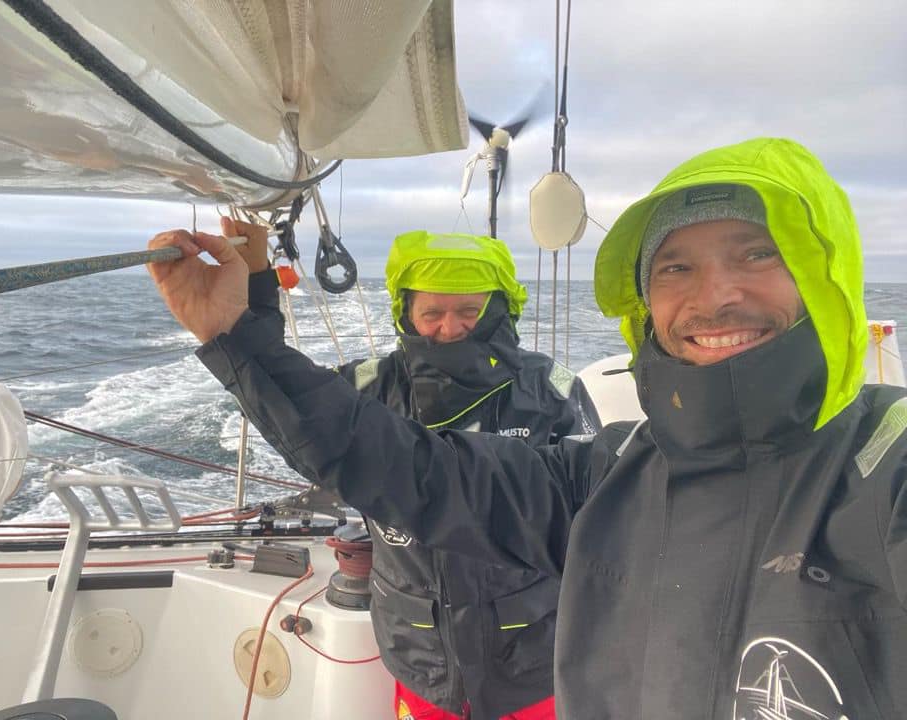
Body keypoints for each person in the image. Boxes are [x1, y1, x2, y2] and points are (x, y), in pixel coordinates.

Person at [148, 137, 907, 719]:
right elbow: (393, 464)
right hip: (425, 665)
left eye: (759, 253)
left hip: (524, 675)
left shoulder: (884, 468)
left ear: (825, 273)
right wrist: (240, 336)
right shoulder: (608, 483)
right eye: (675, 269)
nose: (714, 295)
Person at [221, 220, 598, 720]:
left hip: (533, 665)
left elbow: (597, 522)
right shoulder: (368, 387)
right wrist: (256, 289)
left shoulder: (553, 391)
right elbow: (294, 414)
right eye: (432, 312)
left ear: (501, 308)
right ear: (405, 313)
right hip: (423, 664)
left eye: (469, 310)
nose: (449, 327)